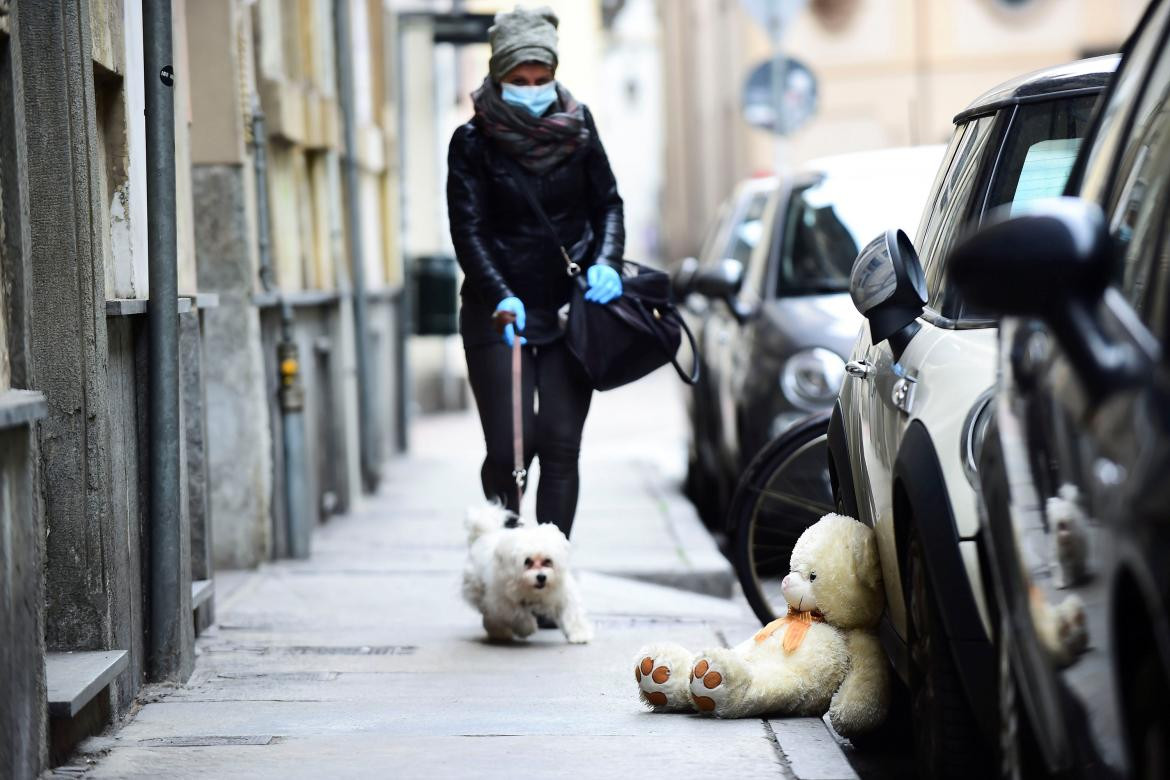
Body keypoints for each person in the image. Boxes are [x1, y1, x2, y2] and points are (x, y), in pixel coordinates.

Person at [447, 5, 625, 538]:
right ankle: (504, 562)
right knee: (508, 449)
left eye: (541, 77)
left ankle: (551, 575)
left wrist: (605, 264)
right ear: (498, 77)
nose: (531, 87)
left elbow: (608, 204)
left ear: (554, 73)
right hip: (498, 314)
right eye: (519, 79)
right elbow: (469, 230)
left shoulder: (580, 126)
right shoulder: (472, 142)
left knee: (561, 445)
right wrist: (499, 292)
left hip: (572, 310)